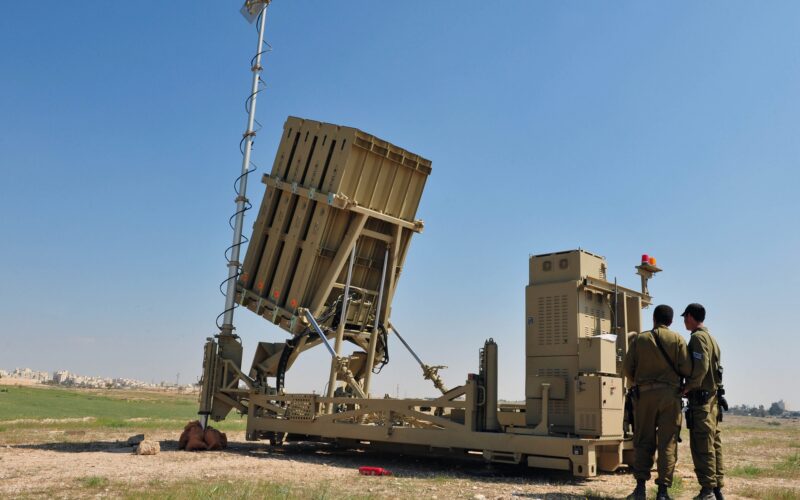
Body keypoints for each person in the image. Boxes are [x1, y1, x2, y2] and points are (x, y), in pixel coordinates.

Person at [623, 304, 690, 500]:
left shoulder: (640, 339)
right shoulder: (677, 339)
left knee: (643, 440)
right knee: (668, 443)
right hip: (670, 397)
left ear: (653, 319)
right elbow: (686, 369)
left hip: (644, 396)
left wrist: (640, 382)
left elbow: (627, 368)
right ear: (671, 321)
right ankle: (662, 492)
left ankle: (640, 489)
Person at [682, 303, 725, 500]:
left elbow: (701, 367)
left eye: (685, 317)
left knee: (702, 445)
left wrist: (688, 386)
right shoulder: (711, 338)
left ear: (691, 317)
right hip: (712, 400)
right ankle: (716, 488)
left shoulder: (698, 338)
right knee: (713, 444)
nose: (684, 321)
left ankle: (707, 490)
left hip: (702, 401)